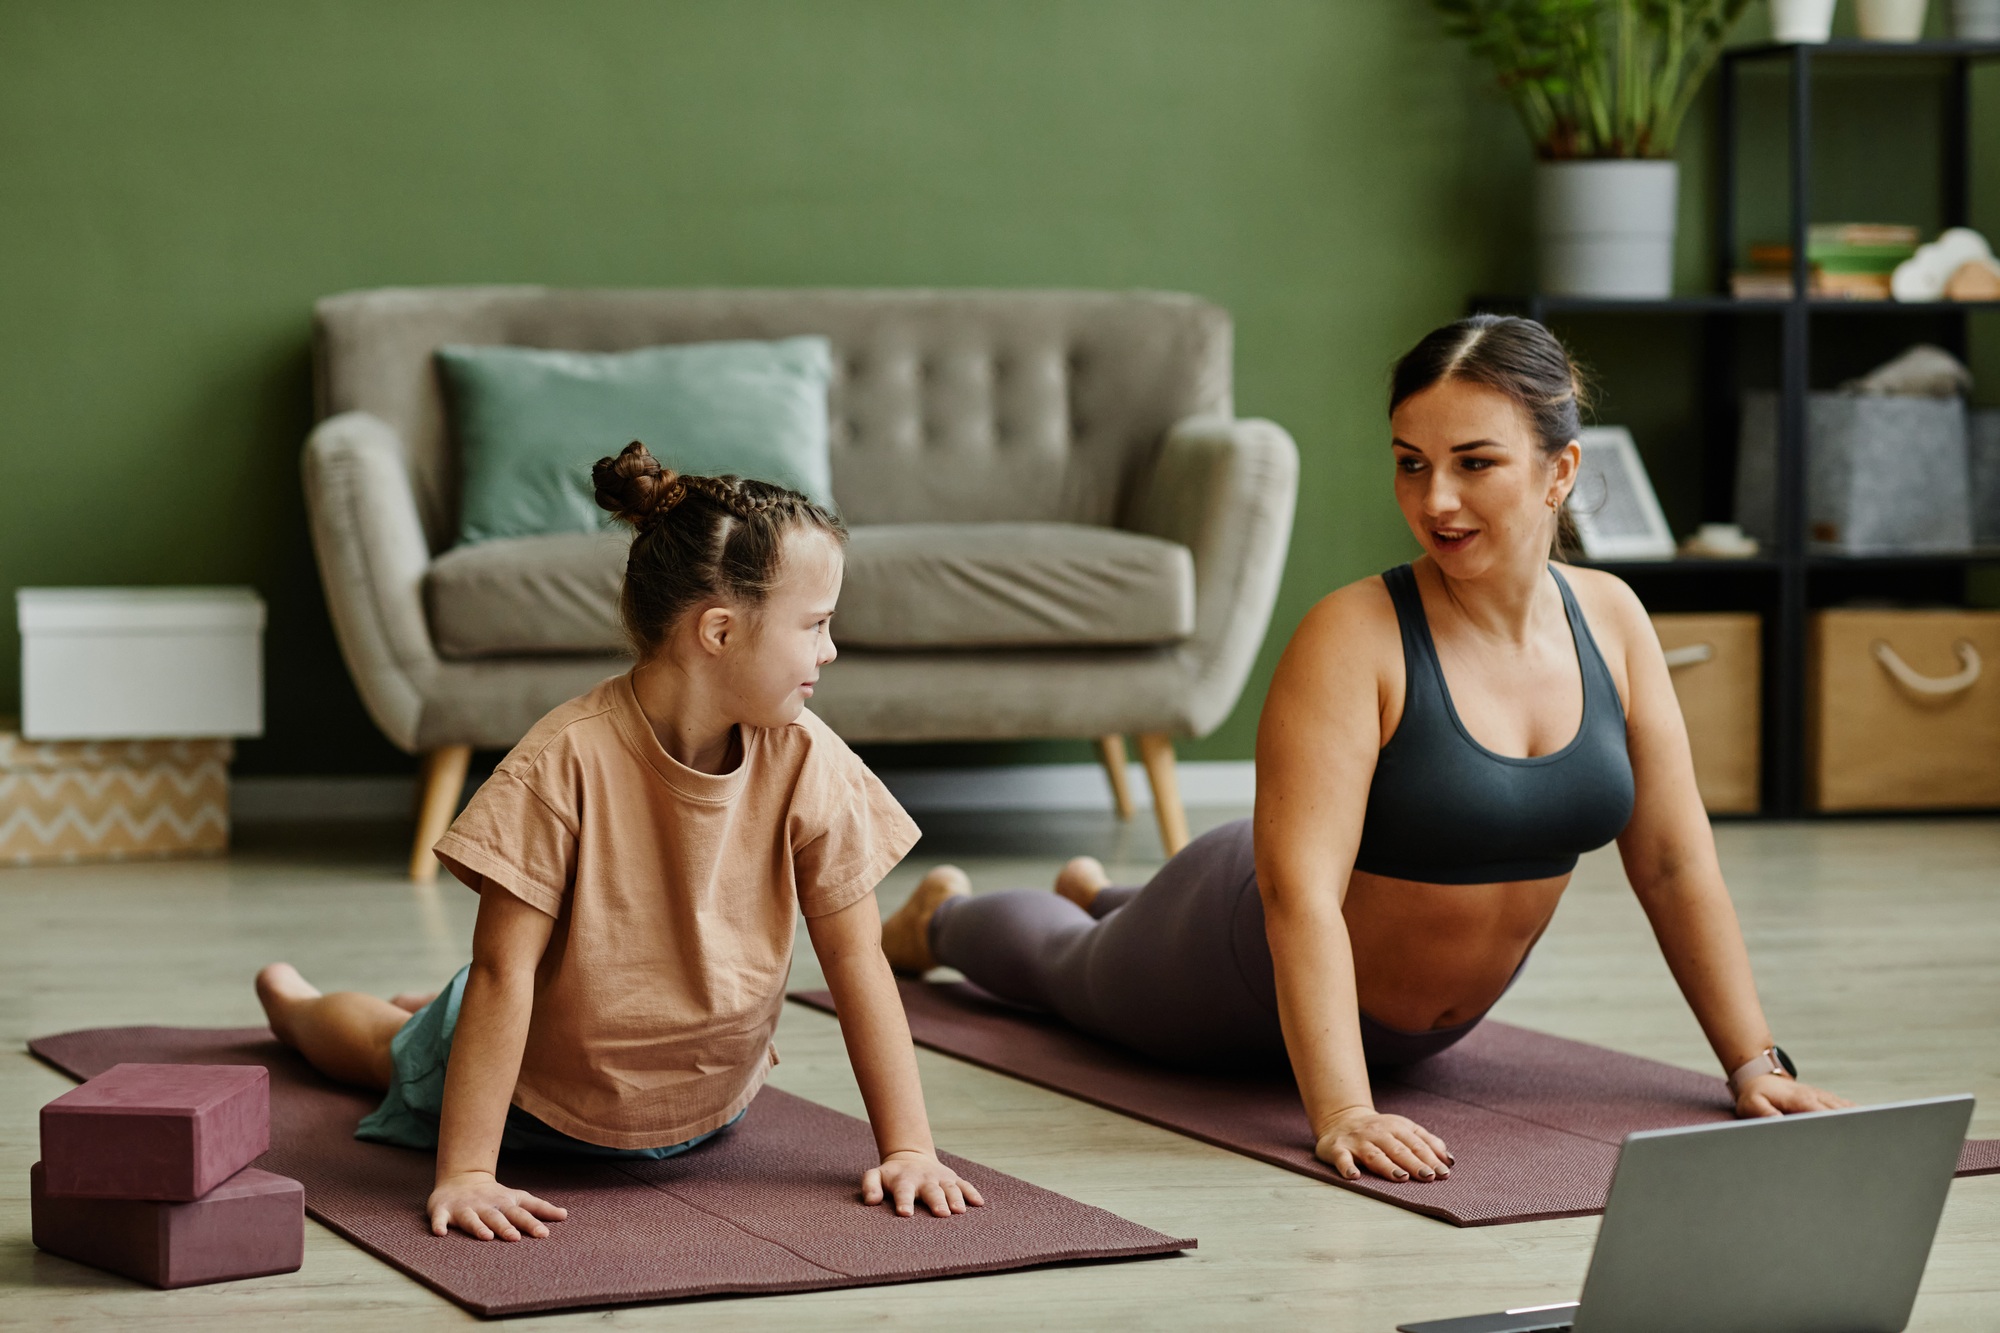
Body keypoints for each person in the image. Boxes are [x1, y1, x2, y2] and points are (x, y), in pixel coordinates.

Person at [880, 314, 1849, 1187]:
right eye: (1409, 462)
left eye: (1474, 463)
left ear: (1558, 471)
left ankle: (1099, 884)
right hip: (1240, 954)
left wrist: (1751, 1062)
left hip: (1404, 1029)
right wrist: (1341, 1108)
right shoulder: (1353, 636)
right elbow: (1296, 894)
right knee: (1071, 971)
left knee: (1110, 919)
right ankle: (943, 918)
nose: (1435, 499)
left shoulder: (1612, 619)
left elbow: (1676, 865)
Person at [258, 441, 982, 1241]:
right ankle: (294, 1001)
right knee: (382, 1046)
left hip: (703, 1108)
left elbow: (858, 959)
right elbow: (505, 972)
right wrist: (467, 1172)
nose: (830, 649)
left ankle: (432, 1009)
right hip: (542, 1104)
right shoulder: (562, 760)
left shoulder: (808, 756)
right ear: (718, 631)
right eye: (814, 624)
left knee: (459, 1010)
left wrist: (910, 1147)